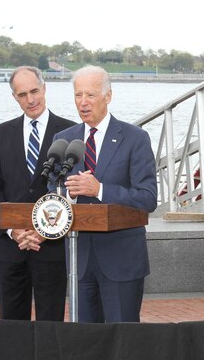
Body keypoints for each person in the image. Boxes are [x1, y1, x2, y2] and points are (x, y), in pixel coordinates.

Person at [27, 65, 157, 323]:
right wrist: (69, 195)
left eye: (90, 95)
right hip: (79, 261)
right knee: (84, 344)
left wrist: (99, 190)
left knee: (123, 342)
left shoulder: (135, 138)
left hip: (121, 261)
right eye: (78, 95)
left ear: (108, 96)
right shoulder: (64, 140)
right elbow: (53, 191)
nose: (83, 103)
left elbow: (148, 198)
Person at [0, 66, 75, 321]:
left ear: (45, 88)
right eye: (22, 94)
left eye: (34, 91)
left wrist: (44, 231)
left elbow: (71, 192)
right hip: (11, 246)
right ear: (14, 97)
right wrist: (13, 231)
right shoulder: (1, 133)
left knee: (50, 323)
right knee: (12, 327)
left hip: (52, 247)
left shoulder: (69, 132)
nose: (30, 99)